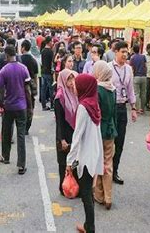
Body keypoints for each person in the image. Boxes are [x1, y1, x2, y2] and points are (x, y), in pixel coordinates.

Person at [66, 74, 103, 233]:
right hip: (94, 153)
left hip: (85, 155)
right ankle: (89, 225)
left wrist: (69, 160)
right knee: (88, 191)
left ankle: (90, 228)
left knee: (86, 193)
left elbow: (77, 135)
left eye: (76, 85)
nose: (74, 87)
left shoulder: (83, 107)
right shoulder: (93, 103)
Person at [0, 45, 32, 174]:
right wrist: (30, 107)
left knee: (6, 132)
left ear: (6, 56)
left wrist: (1, 103)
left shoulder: (4, 71)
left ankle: (5, 157)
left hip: (9, 106)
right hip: (21, 106)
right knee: (21, 135)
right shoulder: (23, 69)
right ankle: (21, 164)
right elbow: (27, 90)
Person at [107, 41, 137, 185]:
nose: (125, 54)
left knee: (120, 142)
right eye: (123, 52)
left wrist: (133, 108)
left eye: (127, 52)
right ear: (116, 52)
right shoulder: (108, 68)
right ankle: (105, 170)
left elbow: (130, 89)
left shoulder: (129, 69)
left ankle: (115, 170)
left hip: (122, 108)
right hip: (110, 108)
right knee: (108, 141)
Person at [92, 61, 117, 210]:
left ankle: (99, 195)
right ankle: (108, 197)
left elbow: (96, 112)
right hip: (110, 129)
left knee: (98, 161)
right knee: (108, 163)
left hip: (99, 129)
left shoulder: (97, 89)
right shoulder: (113, 89)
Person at [54, 69, 78, 195]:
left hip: (74, 132)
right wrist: (61, 139)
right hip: (63, 133)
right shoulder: (60, 97)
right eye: (68, 79)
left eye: (72, 78)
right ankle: (63, 187)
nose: (71, 81)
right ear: (63, 79)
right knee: (63, 162)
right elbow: (59, 121)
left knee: (74, 161)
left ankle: (73, 187)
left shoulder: (74, 94)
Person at [20, 39, 39, 135]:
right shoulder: (33, 60)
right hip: (30, 87)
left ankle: (21, 125)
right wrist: (35, 89)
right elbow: (35, 76)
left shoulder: (18, 59)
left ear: (23, 48)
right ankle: (27, 127)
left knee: (21, 107)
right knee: (30, 107)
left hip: (20, 86)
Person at [130, 44, 147, 113]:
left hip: (136, 76)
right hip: (143, 76)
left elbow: (132, 68)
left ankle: (137, 108)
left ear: (133, 50)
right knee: (143, 93)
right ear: (139, 49)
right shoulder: (143, 57)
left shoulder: (132, 57)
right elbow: (145, 66)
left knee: (136, 93)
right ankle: (143, 108)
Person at [40, 37, 54, 110]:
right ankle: (52, 105)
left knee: (43, 89)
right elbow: (52, 63)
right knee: (51, 89)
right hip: (49, 72)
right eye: (51, 41)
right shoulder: (50, 51)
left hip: (43, 72)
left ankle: (43, 106)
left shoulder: (42, 51)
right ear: (49, 42)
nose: (52, 43)